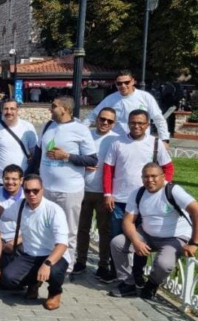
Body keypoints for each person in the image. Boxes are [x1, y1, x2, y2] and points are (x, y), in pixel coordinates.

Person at [109, 163, 198, 300]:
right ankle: (128, 283)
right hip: (146, 234)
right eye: (146, 177)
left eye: (154, 176)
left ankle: (152, 284)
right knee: (117, 243)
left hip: (174, 237)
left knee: (164, 264)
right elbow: (128, 221)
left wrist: (194, 243)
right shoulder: (138, 193)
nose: (150, 180)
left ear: (163, 176)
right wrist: (136, 241)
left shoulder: (173, 191)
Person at [0, 175, 70, 311]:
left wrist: (47, 264)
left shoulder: (54, 210)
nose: (31, 194)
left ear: (42, 190)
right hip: (30, 254)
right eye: (27, 191)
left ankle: (55, 293)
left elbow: (62, 244)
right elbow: (4, 215)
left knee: (54, 272)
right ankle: (34, 283)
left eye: (35, 190)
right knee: (8, 279)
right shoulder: (20, 205)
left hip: (54, 255)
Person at [31, 96, 97, 266]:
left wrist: (66, 156)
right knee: (45, 228)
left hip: (69, 190)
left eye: (54, 106)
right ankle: (46, 263)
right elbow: (38, 154)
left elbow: (92, 160)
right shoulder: (47, 126)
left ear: (65, 109)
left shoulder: (80, 129)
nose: (50, 109)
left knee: (68, 231)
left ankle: (66, 266)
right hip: (46, 188)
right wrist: (30, 177)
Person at [103, 110, 174, 241]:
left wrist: (162, 188)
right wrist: (108, 194)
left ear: (147, 125)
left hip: (145, 198)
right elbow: (108, 169)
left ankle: (138, 256)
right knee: (116, 238)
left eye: (140, 123)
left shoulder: (155, 143)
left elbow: (168, 167)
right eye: (133, 123)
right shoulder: (117, 143)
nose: (136, 126)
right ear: (128, 123)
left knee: (142, 238)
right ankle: (116, 256)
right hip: (120, 200)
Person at [74, 107, 119, 281]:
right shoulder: (86, 135)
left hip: (104, 192)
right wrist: (83, 164)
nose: (105, 123)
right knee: (82, 228)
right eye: (102, 119)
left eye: (109, 121)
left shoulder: (116, 140)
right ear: (97, 119)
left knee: (104, 230)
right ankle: (80, 260)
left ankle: (103, 264)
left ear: (114, 123)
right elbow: (75, 157)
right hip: (83, 189)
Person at [84, 70, 170, 144]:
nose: (123, 86)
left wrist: (164, 140)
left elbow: (158, 119)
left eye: (126, 82)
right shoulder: (110, 99)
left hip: (141, 142)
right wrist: (81, 132)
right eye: (119, 83)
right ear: (116, 84)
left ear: (133, 81)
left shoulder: (145, 97)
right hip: (117, 142)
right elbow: (92, 116)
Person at [0, 99, 37, 192]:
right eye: (6, 109)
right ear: (2, 110)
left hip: (21, 180)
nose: (9, 112)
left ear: (17, 110)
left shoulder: (28, 127)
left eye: (12, 109)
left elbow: (35, 153)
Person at [0, 165, 24, 266]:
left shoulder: (27, 197)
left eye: (14, 179)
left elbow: (33, 228)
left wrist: (14, 242)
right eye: (7, 178)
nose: (10, 182)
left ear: (21, 180)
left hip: (19, 240)